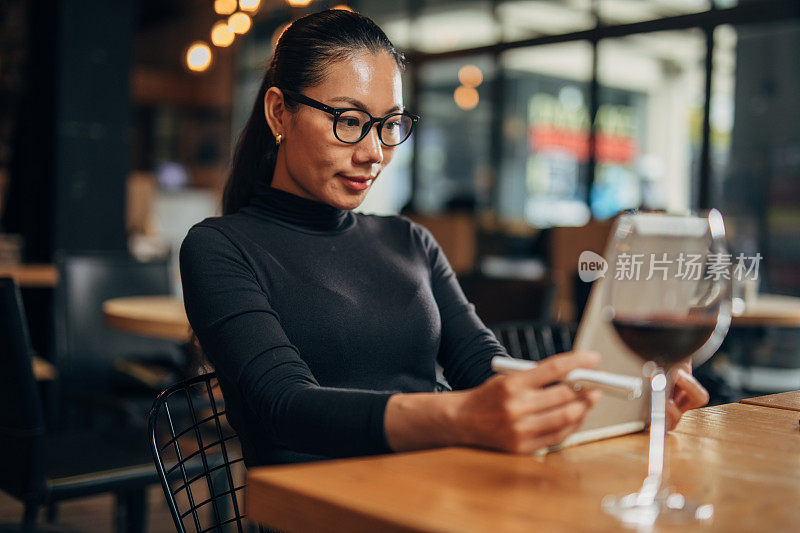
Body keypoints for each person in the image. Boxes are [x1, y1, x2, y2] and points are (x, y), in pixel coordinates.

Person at [179, 9, 708, 467]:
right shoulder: (221, 247)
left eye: (389, 124)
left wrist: (622, 399)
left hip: (440, 488)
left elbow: (486, 367)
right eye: (348, 120)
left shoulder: (410, 241)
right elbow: (283, 406)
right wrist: (457, 416)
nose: (374, 152)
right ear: (279, 112)